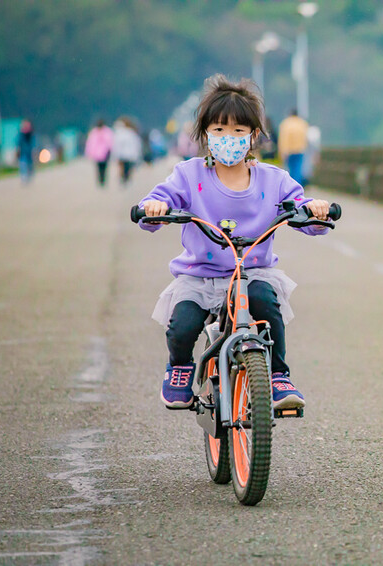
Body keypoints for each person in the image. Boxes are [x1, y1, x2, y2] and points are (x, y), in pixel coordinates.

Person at [137, 74, 332, 410]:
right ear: (205, 134)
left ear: (254, 135)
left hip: (251, 272)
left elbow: (299, 209)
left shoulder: (272, 179)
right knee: (182, 326)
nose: (229, 138)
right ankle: (181, 367)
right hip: (200, 275)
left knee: (267, 306)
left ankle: (277, 374)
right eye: (219, 130)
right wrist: (155, 208)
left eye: (239, 131)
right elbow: (160, 200)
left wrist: (314, 211)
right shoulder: (189, 174)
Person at [278, 109, 309, 186]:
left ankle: (291, 186)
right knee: (298, 169)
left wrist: (282, 151)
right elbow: (306, 137)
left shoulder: (286, 123)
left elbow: (283, 138)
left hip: (289, 151)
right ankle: (298, 186)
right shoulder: (302, 123)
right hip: (300, 150)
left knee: (289, 169)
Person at [112, 117, 142, 187]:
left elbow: (117, 144)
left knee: (122, 167)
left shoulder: (120, 133)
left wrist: (115, 154)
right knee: (127, 168)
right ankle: (126, 180)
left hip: (122, 154)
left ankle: (123, 180)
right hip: (129, 154)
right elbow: (136, 145)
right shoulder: (132, 133)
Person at [84, 119, 114, 187]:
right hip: (99, 153)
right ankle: (102, 180)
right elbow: (90, 143)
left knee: (102, 167)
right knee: (101, 167)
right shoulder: (96, 132)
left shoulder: (103, 131)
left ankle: (102, 180)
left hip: (104, 153)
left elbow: (90, 143)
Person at [17, 119, 36, 185]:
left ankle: (29, 176)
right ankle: (24, 177)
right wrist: (17, 150)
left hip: (29, 153)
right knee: (23, 165)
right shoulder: (21, 135)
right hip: (23, 152)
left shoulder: (31, 134)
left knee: (30, 165)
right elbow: (18, 143)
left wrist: (34, 150)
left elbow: (34, 143)